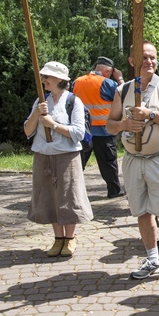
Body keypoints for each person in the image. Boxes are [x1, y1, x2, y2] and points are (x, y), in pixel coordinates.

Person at [105, 41, 159, 284]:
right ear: (132, 61)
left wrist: (151, 114)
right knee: (141, 211)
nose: (150, 62)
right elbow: (110, 124)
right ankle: (152, 258)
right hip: (133, 160)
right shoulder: (124, 90)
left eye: (153, 57)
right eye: (145, 58)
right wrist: (124, 125)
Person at [23, 62, 93, 257]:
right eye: (43, 76)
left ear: (60, 80)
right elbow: (27, 131)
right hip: (43, 156)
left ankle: (69, 239)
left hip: (66, 157)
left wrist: (53, 125)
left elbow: (78, 133)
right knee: (49, 198)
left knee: (68, 197)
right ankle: (58, 239)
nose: (44, 80)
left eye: (48, 76)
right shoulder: (41, 101)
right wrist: (37, 114)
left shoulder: (73, 101)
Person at [71, 56, 125, 198]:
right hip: (103, 131)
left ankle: (71, 190)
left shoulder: (77, 81)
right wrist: (119, 78)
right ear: (107, 71)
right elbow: (125, 95)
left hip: (82, 131)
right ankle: (114, 190)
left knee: (77, 162)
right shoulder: (108, 83)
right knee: (108, 162)